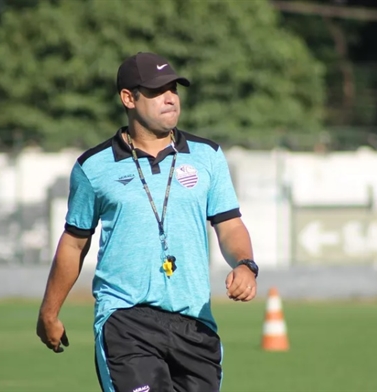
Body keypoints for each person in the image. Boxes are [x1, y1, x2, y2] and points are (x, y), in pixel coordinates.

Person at [36, 52, 259, 392]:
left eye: (173, 89)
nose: (170, 98)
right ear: (128, 97)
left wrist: (245, 264)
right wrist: (49, 313)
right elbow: (74, 243)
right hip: (126, 320)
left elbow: (229, 225)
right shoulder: (93, 167)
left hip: (195, 324)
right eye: (157, 91)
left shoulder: (208, 156)